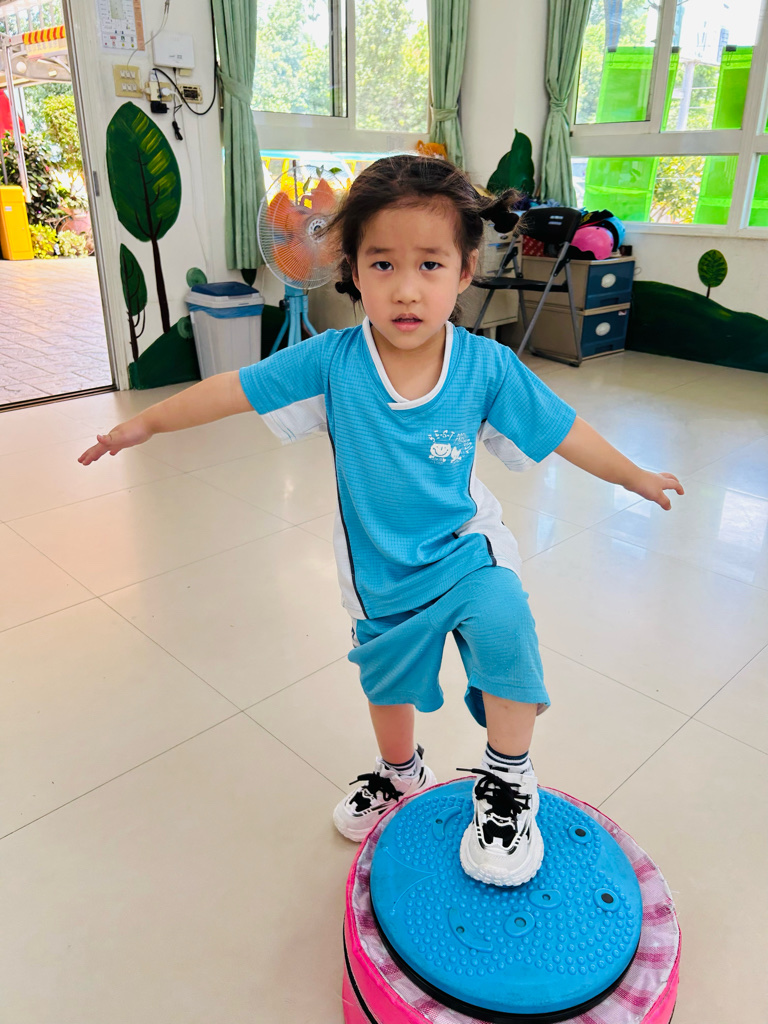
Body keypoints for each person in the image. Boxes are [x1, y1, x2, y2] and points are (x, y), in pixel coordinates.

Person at [79, 155, 683, 888]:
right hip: (380, 574)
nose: (406, 288)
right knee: (387, 686)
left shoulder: (485, 367)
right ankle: (400, 774)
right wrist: (143, 424)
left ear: (464, 271)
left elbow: (563, 429)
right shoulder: (331, 362)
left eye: (430, 264)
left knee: (504, 624)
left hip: (465, 553)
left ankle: (508, 780)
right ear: (353, 272)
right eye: (383, 263)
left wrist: (635, 475)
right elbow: (233, 389)